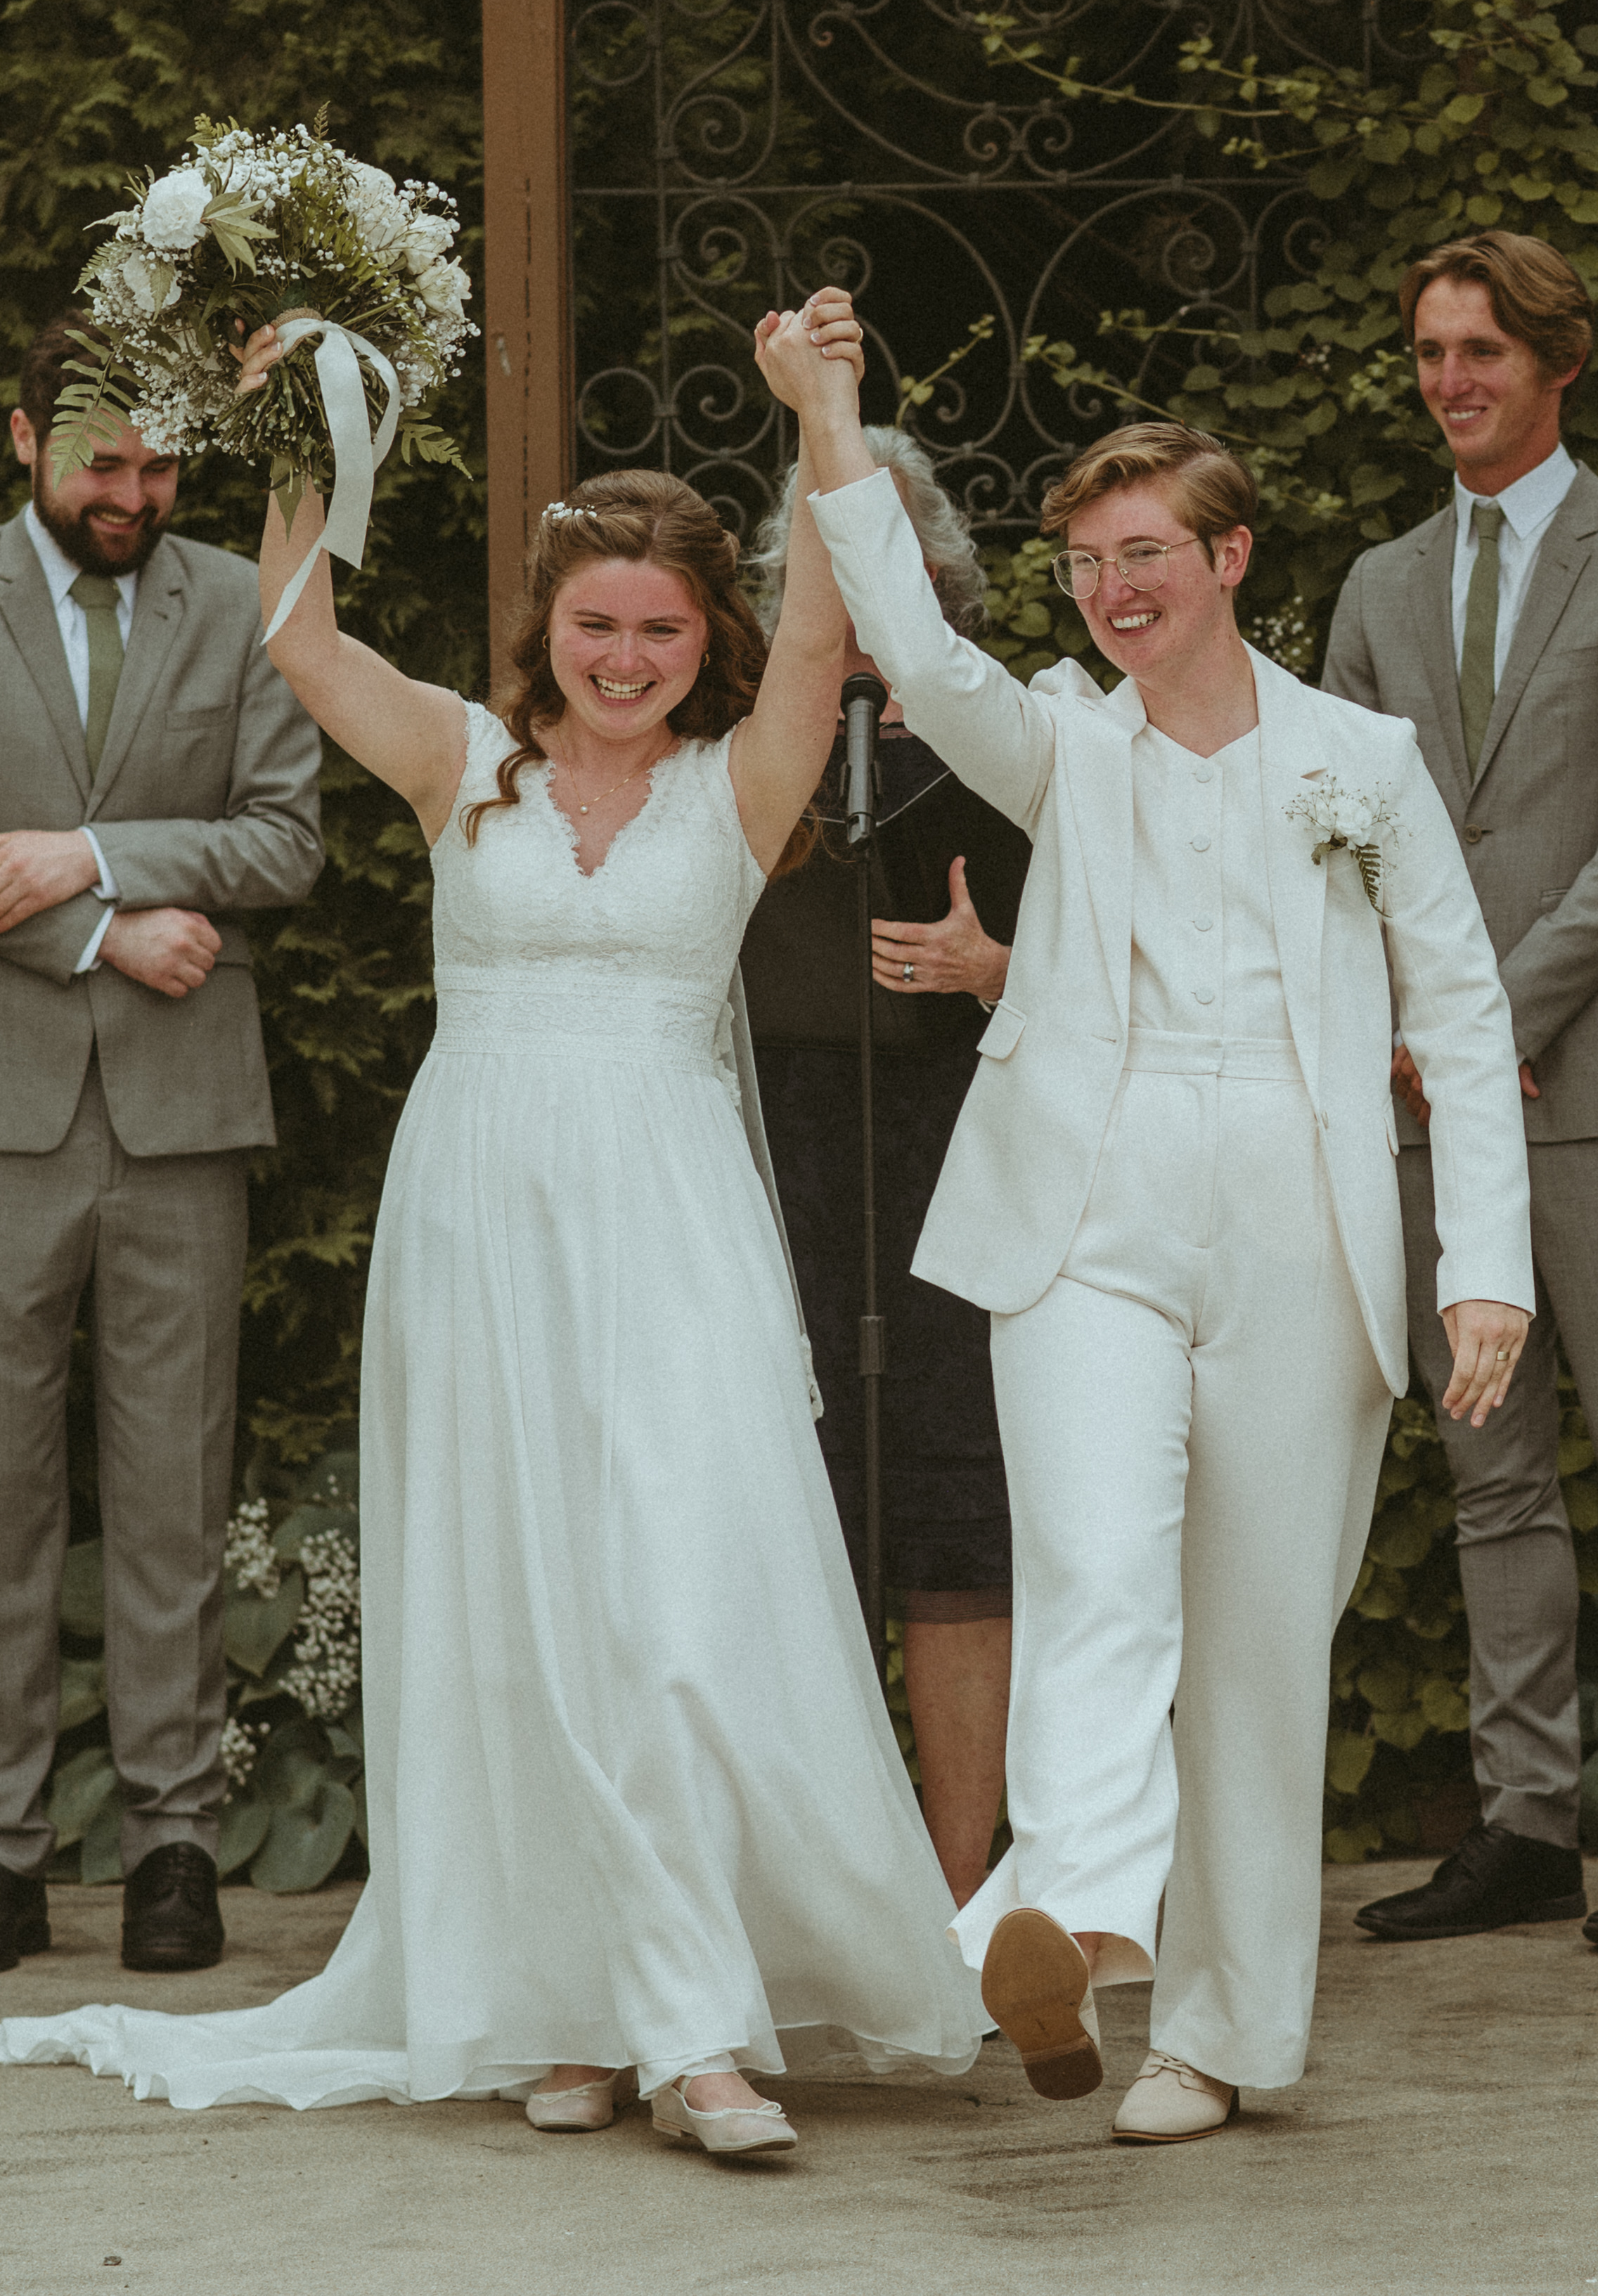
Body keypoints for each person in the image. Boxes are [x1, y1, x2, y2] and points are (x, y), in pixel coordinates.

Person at [1, 290, 984, 2153]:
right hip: (482, 1228)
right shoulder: (463, 760)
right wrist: (305, 427)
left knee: (675, 1614)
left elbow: (827, 611)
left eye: (660, 629)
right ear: (547, 626)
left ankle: (697, 2035)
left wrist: (823, 407)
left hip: (673, 1229)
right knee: (521, 1618)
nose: (623, 658)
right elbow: (296, 637)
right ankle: (576, 2008)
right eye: (594, 623)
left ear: (705, 641)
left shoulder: (742, 781)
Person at [758, 300, 1534, 2146]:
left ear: (1227, 558)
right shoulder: (1056, 743)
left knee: (1256, 1651)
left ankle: (1217, 2038)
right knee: (1097, 1565)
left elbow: (1459, 1014)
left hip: (1299, 1215)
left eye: (1144, 558)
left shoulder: (1361, 758)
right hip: (1085, 1207)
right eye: (1088, 565)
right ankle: (1079, 1912)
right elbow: (916, 641)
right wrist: (828, 412)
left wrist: (1483, 1269)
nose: (1112, 592)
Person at [1320, 229, 1598, 1954]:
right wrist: (1414, 1035)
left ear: (1556, 362)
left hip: (1595, 1081)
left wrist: (1478, 1017)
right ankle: (1521, 1824)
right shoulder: (1375, 586)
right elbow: (1337, 843)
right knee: (1487, 1474)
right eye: (1430, 351)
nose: (1449, 381)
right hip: (1424, 1095)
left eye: (1481, 351)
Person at [0, 311, 323, 1982]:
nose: (131, 495)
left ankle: (174, 1843)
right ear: (23, 439)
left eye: (162, 466)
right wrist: (101, 931)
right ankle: (4, 1847)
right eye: (101, 463)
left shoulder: (242, 604)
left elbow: (283, 842)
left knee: (174, 1488)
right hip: (8, 1109)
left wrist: (89, 854)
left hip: (186, 1116)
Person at [740, 428, 1028, 1905]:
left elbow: (1117, 961)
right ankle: (834, 1889)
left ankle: (964, 1886)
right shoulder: (737, 737)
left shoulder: (1009, 733)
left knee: (953, 1500)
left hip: (958, 1149)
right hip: (780, 1154)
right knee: (799, 1500)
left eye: (885, 547)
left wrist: (995, 967)